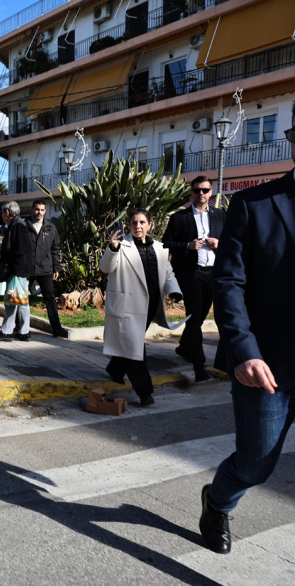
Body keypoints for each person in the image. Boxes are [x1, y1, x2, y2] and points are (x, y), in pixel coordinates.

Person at [199, 107, 295, 555]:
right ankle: (217, 502)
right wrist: (244, 350)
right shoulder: (254, 204)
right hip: (267, 366)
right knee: (256, 465)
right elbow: (229, 283)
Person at [100, 208, 183, 407]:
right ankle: (144, 392)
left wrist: (174, 291)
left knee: (131, 343)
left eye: (142, 222)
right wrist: (113, 248)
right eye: (134, 223)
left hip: (150, 306)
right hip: (127, 307)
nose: (138, 226)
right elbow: (105, 268)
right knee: (134, 348)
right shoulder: (121, 245)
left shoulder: (160, 248)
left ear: (149, 225)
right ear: (129, 226)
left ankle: (115, 369)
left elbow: (168, 273)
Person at [162, 175, 225, 382]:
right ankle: (199, 367)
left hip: (213, 273)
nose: (201, 194)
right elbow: (166, 243)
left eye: (205, 190)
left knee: (200, 317)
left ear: (211, 193)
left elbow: (232, 240)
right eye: (197, 190)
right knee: (195, 319)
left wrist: (220, 243)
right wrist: (187, 246)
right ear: (192, 192)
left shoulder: (219, 215)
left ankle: (183, 347)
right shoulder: (180, 217)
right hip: (191, 274)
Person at [25, 200, 65, 338]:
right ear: (32, 209)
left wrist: (56, 267)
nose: (39, 212)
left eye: (42, 210)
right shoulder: (24, 225)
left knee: (50, 299)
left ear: (45, 211)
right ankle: (21, 328)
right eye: (37, 209)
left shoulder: (50, 227)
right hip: (27, 269)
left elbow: (55, 248)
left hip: (45, 269)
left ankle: (57, 329)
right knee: (22, 298)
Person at [0, 201, 32, 342]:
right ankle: (23, 331)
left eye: (2, 212)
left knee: (13, 301)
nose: (2, 215)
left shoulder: (17, 225)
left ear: (7, 212)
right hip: (19, 271)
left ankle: (8, 331)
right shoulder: (18, 224)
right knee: (20, 300)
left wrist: (15, 272)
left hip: (18, 272)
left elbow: (20, 251)